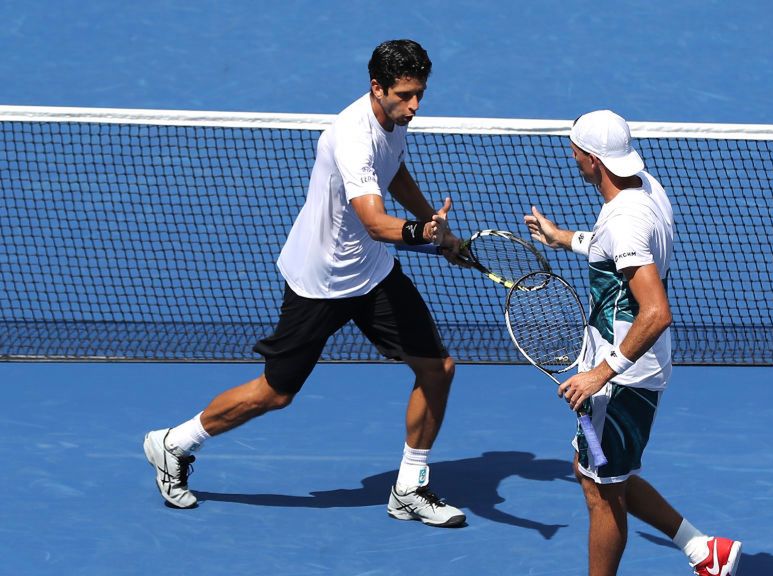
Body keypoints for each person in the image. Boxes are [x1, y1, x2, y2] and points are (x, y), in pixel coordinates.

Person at [143, 39, 468, 527]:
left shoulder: (393, 120)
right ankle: (173, 443)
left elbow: (395, 170)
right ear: (376, 87)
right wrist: (423, 233)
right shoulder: (352, 137)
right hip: (322, 280)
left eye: (420, 93)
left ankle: (409, 488)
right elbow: (376, 221)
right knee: (275, 393)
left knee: (437, 369)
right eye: (405, 95)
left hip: (372, 273)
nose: (415, 106)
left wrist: (441, 234)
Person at [524, 110, 742, 575]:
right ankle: (703, 550)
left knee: (600, 493)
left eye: (577, 152)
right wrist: (563, 238)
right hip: (628, 368)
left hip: (621, 377)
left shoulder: (623, 218)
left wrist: (600, 374)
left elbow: (656, 312)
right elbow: (616, 249)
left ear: (593, 160)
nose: (573, 157)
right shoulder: (644, 186)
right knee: (601, 475)